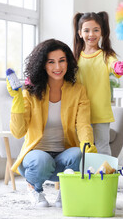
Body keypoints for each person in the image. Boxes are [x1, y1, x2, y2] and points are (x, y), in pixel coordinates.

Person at [7, 39, 97, 208]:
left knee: (78, 153)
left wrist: (88, 144)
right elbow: (18, 132)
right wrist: (18, 99)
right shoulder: (31, 92)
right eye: (51, 62)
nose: (58, 67)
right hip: (37, 159)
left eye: (62, 60)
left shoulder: (78, 90)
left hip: (64, 157)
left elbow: (83, 124)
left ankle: (67, 190)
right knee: (42, 160)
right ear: (43, 65)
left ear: (68, 62)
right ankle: (35, 188)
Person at [73, 11, 123, 156]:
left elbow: (114, 65)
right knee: (81, 148)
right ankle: (84, 177)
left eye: (96, 30)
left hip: (101, 112)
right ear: (80, 33)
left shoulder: (106, 55)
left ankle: (106, 177)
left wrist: (120, 67)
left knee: (102, 147)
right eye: (86, 30)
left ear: (102, 32)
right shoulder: (74, 57)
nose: (91, 34)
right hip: (79, 112)